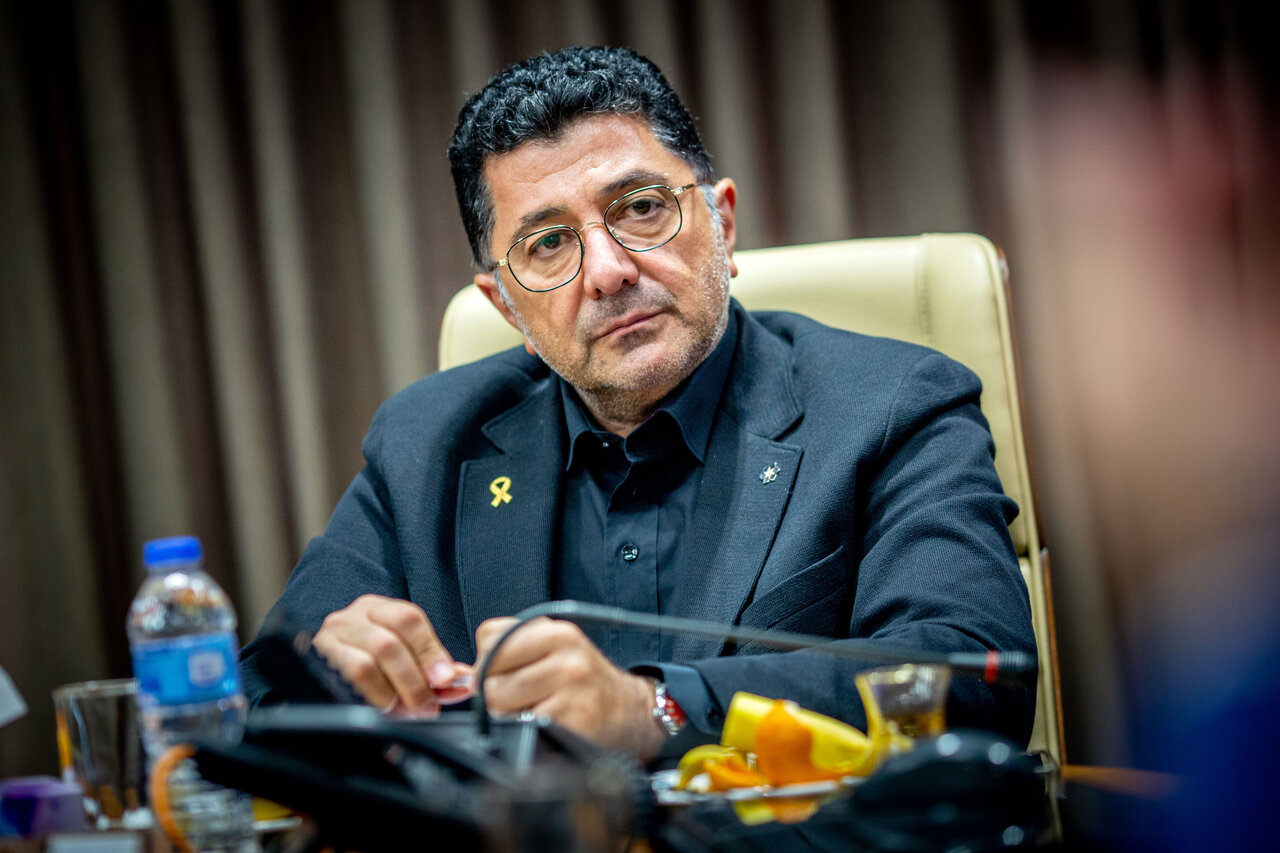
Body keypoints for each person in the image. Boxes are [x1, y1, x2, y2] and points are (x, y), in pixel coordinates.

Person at [239, 46, 1035, 760]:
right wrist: (328, 682)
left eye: (641, 207)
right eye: (548, 243)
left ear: (723, 223)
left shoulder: (894, 405)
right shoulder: (424, 444)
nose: (609, 270)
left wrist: (655, 708)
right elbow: (251, 701)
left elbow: (974, 674)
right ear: (506, 306)